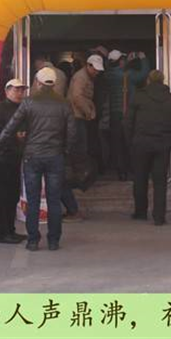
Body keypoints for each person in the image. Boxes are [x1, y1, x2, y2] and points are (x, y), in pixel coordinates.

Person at [0, 67, 76, 251]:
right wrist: (65, 151)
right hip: (55, 156)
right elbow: (72, 132)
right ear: (54, 83)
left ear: (38, 82)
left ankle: (33, 240)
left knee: (33, 200)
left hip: (32, 157)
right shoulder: (64, 103)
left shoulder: (28, 102)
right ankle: (53, 241)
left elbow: (10, 127)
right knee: (54, 200)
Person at [125, 69, 171, 226]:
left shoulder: (139, 97)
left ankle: (141, 212)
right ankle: (159, 216)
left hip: (141, 142)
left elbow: (128, 122)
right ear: (163, 81)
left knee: (140, 178)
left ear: (148, 80)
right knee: (160, 181)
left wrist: (130, 141)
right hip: (162, 144)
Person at [0, 79, 28, 244]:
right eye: (16, 90)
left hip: (15, 159)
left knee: (12, 196)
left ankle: (10, 230)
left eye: (22, 90)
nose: (19, 93)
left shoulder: (22, 109)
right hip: (0, 159)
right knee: (0, 197)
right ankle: (2, 233)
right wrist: (14, 139)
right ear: (7, 91)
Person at [64, 54, 104, 220]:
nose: (97, 72)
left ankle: (79, 179)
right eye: (95, 69)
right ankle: (78, 179)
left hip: (79, 116)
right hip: (76, 116)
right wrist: (88, 112)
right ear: (88, 66)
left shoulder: (86, 77)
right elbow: (77, 97)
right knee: (78, 148)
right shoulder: (81, 78)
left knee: (80, 147)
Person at [105, 50, 151, 180]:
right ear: (120, 62)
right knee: (130, 142)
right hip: (127, 113)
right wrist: (143, 59)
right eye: (123, 59)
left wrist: (128, 63)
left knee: (118, 144)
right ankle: (134, 170)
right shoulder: (128, 75)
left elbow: (116, 69)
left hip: (114, 114)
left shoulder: (108, 75)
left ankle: (122, 172)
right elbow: (143, 74)